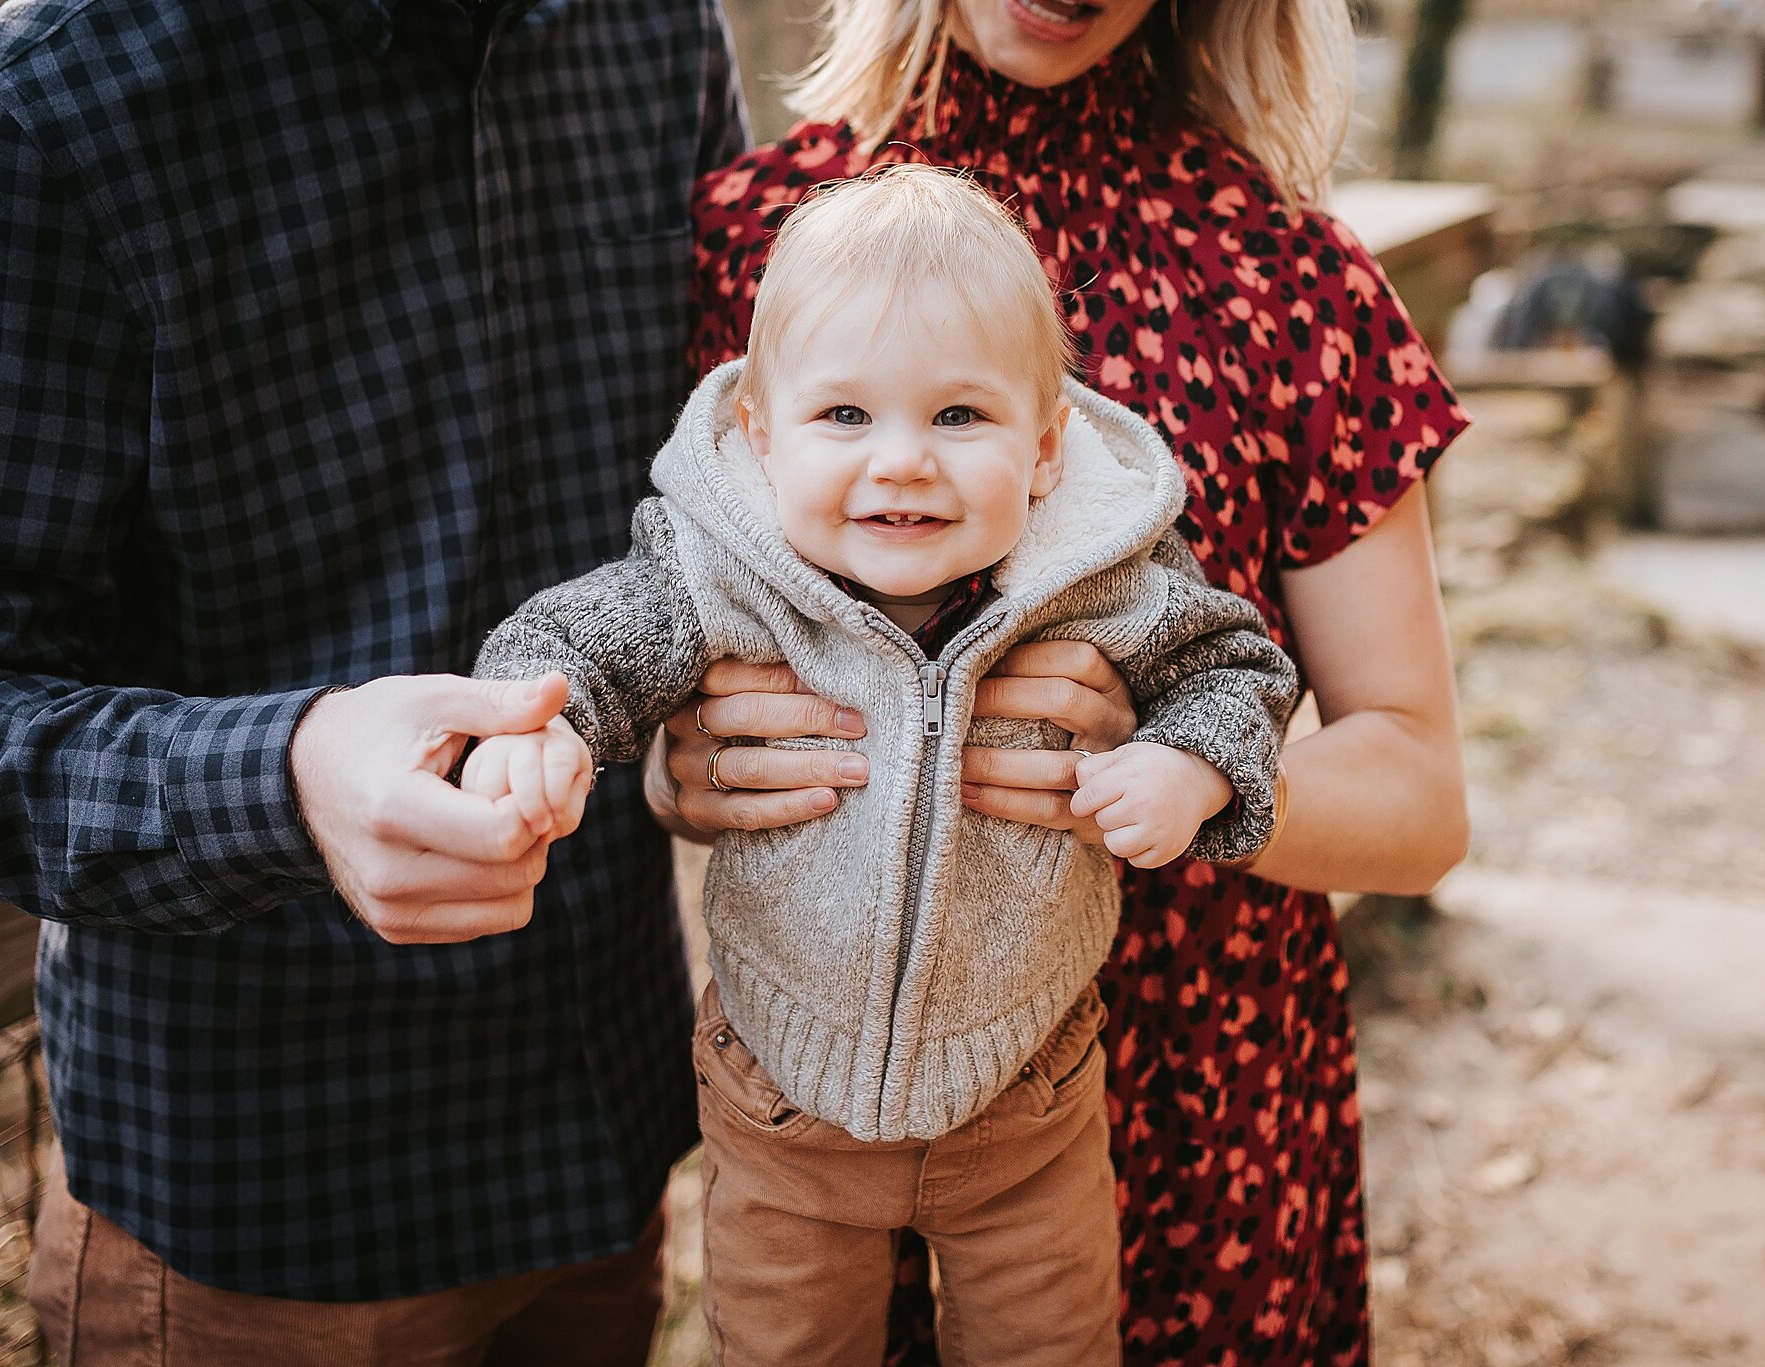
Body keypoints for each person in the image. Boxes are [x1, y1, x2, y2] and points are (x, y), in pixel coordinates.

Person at [0, 0, 744, 1361]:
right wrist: (286, 775)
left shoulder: (659, 27)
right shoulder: (39, 110)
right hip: (268, 1225)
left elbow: (711, 495)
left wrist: (706, 718)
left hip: (606, 1144)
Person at [666, 1, 1474, 1362]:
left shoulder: (1288, 274)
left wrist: (1198, 766)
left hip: (1202, 1097)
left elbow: (1418, 790)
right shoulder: (747, 241)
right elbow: (664, 613)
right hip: (836, 1109)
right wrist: (681, 759)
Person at [466, 165, 1298, 1366]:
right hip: (785, 1095)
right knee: (781, 1344)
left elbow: (1241, 668)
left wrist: (1189, 762)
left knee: (1051, 1344)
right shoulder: (723, 569)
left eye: (959, 417)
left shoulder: (1103, 575)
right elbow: (582, 639)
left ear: (1047, 447)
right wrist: (535, 723)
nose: (902, 460)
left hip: (1029, 1085)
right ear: (759, 433)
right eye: (844, 416)